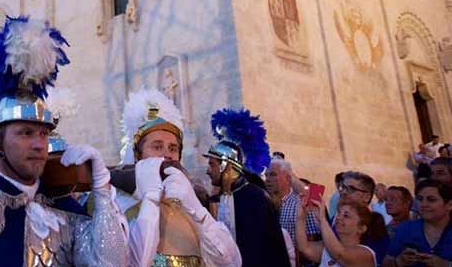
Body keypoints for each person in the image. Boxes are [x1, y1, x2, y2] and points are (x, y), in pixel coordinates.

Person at [0, 17, 127, 266]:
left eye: (43, 133)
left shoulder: (64, 209)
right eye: (25, 133)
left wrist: (102, 189)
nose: (38, 144)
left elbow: (112, 262)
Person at [117, 88, 240, 267]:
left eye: (173, 148)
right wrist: (151, 198)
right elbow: (138, 262)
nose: (167, 155)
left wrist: (197, 209)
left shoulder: (188, 205)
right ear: (138, 156)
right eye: (157, 147)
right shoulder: (121, 204)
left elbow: (231, 262)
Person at [204, 109, 291, 267]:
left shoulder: (255, 199)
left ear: (225, 165)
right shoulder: (220, 199)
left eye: (212, 164)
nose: (208, 170)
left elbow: (260, 254)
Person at [384, 180, 452, 267]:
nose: (423, 204)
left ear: (449, 205)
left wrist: (447, 265)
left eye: (431, 200)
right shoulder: (406, 228)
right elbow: (386, 262)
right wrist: (399, 261)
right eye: (420, 199)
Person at [266, 158, 322, 262]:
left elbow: (311, 240)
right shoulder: (264, 203)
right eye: (266, 175)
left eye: (273, 175)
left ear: (288, 178)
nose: (268, 179)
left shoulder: (300, 204)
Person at [296, 198, 376, 267]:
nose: (338, 217)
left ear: (361, 228)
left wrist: (322, 219)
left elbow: (340, 255)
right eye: (339, 213)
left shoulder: (366, 253)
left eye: (346, 215)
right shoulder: (328, 248)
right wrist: (301, 217)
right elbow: (304, 247)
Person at [338, 171, 390, 265]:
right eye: (343, 187)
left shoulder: (375, 223)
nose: (344, 192)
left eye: (351, 189)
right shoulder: (335, 218)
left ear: (366, 197)